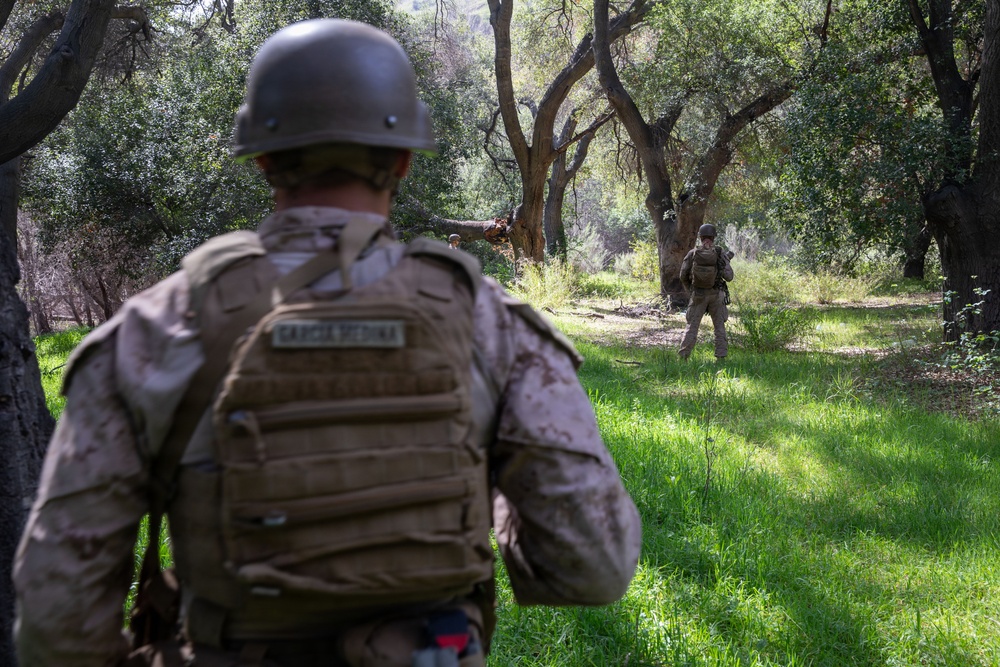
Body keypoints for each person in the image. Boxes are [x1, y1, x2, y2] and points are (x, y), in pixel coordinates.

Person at [13, 18, 641, 667]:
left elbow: (57, 621)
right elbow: (592, 565)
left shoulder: (154, 330)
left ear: (262, 159)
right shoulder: (493, 326)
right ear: (402, 160)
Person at [678, 223, 734, 361]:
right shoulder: (720, 253)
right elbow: (729, 277)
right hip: (716, 295)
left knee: (692, 326)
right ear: (714, 237)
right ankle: (721, 358)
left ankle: (683, 357)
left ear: (701, 237)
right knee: (719, 327)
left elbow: (682, 275)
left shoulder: (693, 253)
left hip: (698, 295)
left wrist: (690, 291)